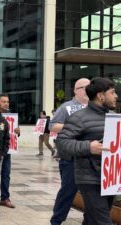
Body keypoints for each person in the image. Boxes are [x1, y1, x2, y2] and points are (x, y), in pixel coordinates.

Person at [56, 77, 117, 225]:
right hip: (89, 178)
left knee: (92, 220)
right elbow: (62, 142)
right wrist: (88, 147)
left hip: (109, 179)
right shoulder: (79, 118)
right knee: (103, 221)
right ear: (101, 96)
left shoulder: (113, 117)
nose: (116, 96)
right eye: (112, 92)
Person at [50, 78, 90, 225]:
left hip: (90, 157)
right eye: (83, 87)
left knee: (90, 194)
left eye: (89, 87)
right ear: (75, 90)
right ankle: (57, 221)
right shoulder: (66, 107)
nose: (87, 89)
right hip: (70, 158)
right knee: (68, 191)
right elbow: (52, 126)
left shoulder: (94, 107)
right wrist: (73, 126)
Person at [0, 93, 20, 208]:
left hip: (7, 150)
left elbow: (15, 134)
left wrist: (18, 131)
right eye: (4, 101)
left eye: (7, 101)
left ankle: (5, 198)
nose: (6, 103)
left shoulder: (12, 116)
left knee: (6, 174)